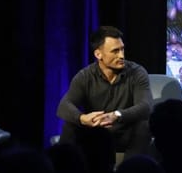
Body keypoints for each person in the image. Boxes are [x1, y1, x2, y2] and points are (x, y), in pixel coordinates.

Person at [56, 25, 154, 160]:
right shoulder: (85, 76)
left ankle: (130, 170)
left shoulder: (137, 72)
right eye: (115, 51)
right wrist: (82, 118)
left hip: (124, 133)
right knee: (70, 124)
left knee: (143, 125)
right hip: (96, 134)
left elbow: (146, 106)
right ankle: (63, 170)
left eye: (122, 49)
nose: (121, 55)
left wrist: (117, 115)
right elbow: (64, 106)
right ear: (98, 54)